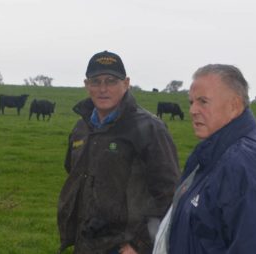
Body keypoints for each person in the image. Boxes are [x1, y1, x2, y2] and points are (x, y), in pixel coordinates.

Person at [153, 64, 256, 254]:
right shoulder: (216, 152)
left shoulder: (245, 161)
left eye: (203, 101)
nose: (193, 110)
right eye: (191, 102)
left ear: (234, 105)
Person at [57, 50, 181, 254]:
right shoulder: (82, 128)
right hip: (86, 242)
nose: (103, 89)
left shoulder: (149, 129)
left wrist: (140, 244)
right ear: (86, 85)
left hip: (124, 247)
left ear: (126, 83)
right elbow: (74, 173)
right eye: (96, 81)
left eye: (111, 81)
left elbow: (169, 193)